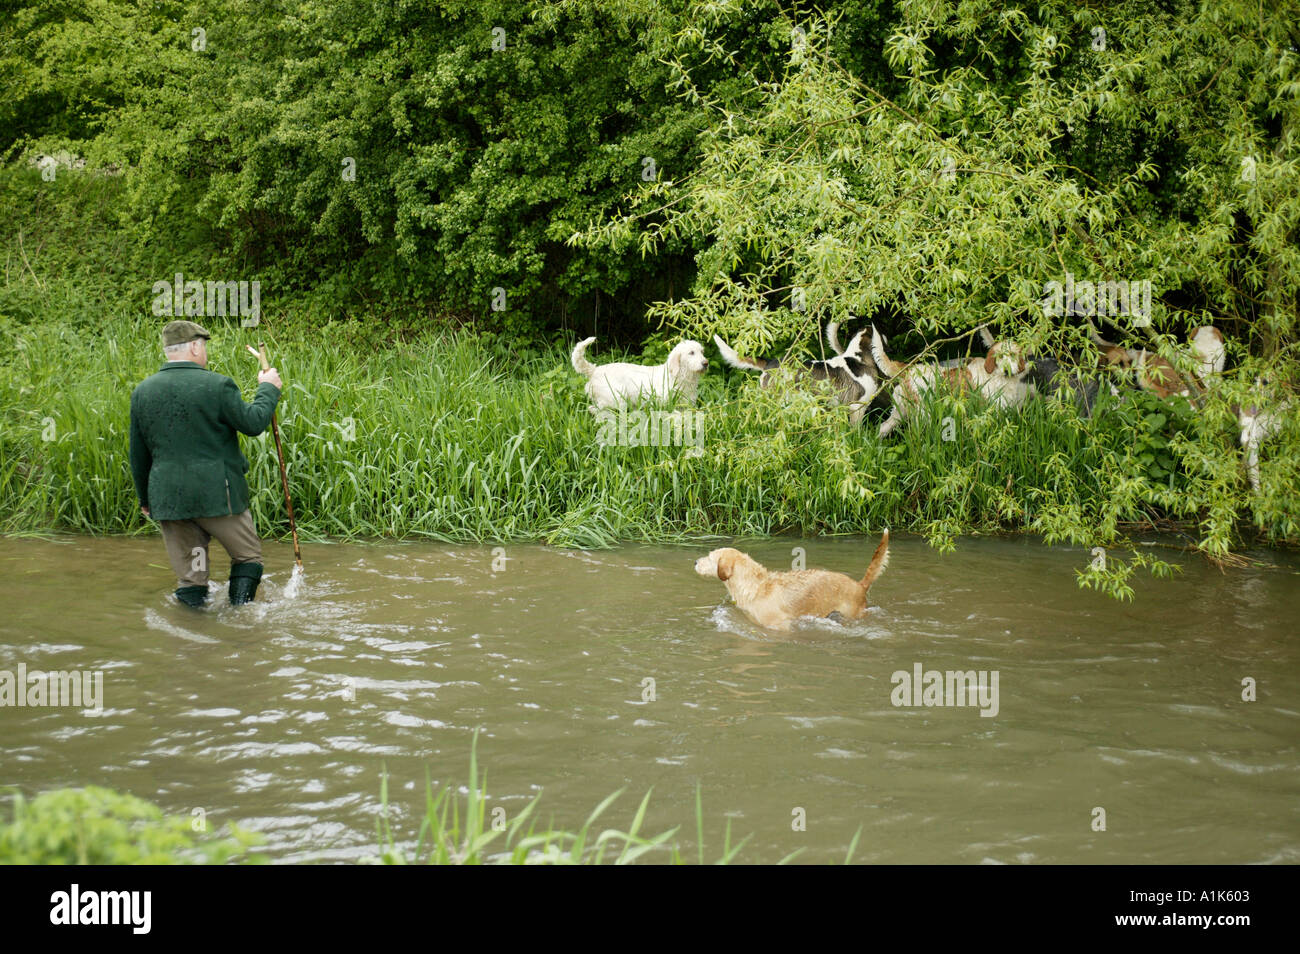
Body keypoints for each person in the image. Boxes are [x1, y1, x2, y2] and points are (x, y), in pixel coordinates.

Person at [129, 321, 283, 606]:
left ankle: (193, 634)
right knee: (247, 558)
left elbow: (137, 454)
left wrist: (145, 498)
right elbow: (252, 423)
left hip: (168, 498)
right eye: (205, 346)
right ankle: (239, 619)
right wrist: (268, 389)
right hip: (216, 494)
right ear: (195, 346)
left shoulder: (142, 391)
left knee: (192, 576)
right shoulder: (217, 384)